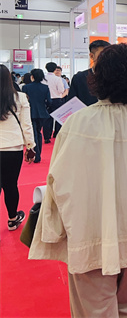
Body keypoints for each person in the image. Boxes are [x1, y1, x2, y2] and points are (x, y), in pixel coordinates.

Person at [29, 43, 127, 318]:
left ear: (98, 77)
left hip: (89, 230)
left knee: (94, 310)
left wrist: (53, 228)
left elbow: (57, 180)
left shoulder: (78, 122)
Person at [0, 64, 36, 231]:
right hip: (12, 147)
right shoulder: (20, 97)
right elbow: (26, 125)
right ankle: (12, 219)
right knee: (10, 185)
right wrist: (30, 146)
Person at [22, 69, 51, 164]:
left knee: (33, 133)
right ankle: (38, 155)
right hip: (42, 113)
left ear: (32, 77)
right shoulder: (45, 87)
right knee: (38, 132)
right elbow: (49, 101)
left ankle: (35, 154)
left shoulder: (26, 87)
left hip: (30, 112)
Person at [68, 40, 110, 106]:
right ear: (92, 56)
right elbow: (71, 104)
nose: (106, 58)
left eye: (109, 54)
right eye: (102, 55)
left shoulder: (115, 76)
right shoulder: (79, 78)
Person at [43, 62, 66, 142]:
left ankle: (47, 137)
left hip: (46, 100)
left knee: (47, 119)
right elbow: (61, 90)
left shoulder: (43, 78)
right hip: (57, 100)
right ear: (55, 69)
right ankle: (56, 134)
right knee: (58, 118)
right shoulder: (57, 79)